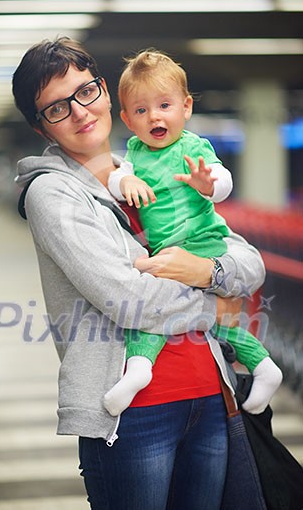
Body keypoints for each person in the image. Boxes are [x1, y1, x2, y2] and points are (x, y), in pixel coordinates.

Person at [13, 36, 266, 510]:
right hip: (130, 414)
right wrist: (219, 303)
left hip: (209, 394)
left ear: (106, 93)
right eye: (56, 109)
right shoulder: (53, 195)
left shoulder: (155, 166)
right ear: (42, 128)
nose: (80, 112)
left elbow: (249, 261)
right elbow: (124, 296)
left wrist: (206, 267)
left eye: (85, 92)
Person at [105, 49, 282, 418]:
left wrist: (207, 184)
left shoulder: (193, 146)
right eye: (141, 110)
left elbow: (223, 182)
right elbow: (114, 177)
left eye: (164, 105)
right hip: (169, 250)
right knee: (208, 318)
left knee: (157, 306)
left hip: (202, 245)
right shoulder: (135, 152)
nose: (154, 115)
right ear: (127, 119)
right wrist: (127, 180)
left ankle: (139, 366)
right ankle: (264, 367)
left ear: (185, 108)